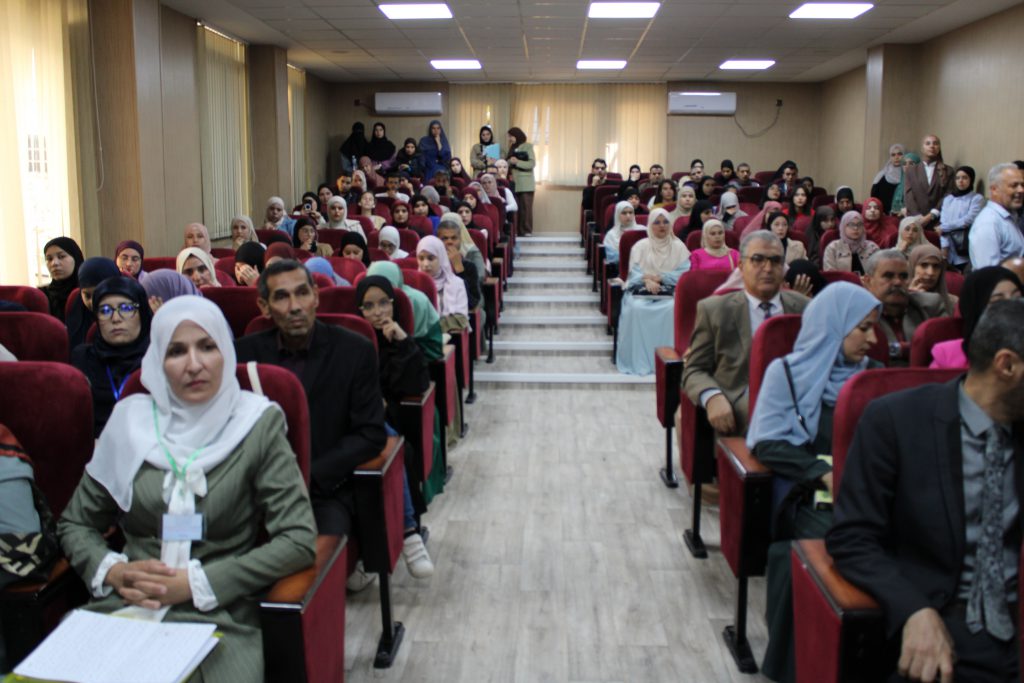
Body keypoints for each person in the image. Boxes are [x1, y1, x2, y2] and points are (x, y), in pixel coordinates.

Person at [59, 296, 317, 681]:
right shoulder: (130, 422)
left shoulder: (255, 424)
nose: (194, 364)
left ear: (225, 352)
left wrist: (198, 584)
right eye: (176, 351)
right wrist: (113, 572)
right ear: (157, 362)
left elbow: (297, 540)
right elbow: (75, 524)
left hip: (220, 616)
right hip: (126, 607)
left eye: (207, 346)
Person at [827, 298, 1024, 683]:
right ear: (1007, 366)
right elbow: (852, 537)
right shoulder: (897, 421)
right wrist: (913, 609)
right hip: (943, 620)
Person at [747, 282, 882, 682]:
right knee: (831, 550)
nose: (873, 340)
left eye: (874, 328)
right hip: (811, 496)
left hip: (869, 496)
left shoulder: (874, 377)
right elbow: (767, 443)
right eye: (863, 328)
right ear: (834, 326)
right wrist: (823, 473)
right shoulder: (787, 373)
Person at [236, 261, 385, 541]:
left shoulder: (354, 351)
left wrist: (308, 476)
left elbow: (370, 434)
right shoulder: (243, 355)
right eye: (282, 297)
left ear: (316, 296)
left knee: (315, 549)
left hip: (323, 490)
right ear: (264, 306)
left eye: (302, 293)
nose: (295, 306)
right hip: (253, 490)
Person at [682, 231, 810, 434]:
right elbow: (694, 369)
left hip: (799, 398)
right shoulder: (716, 310)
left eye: (775, 261)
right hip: (741, 401)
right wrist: (712, 396)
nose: (767, 268)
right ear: (741, 266)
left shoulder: (805, 308)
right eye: (758, 259)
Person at [354, 276, 435, 578]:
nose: (378, 312)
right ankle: (395, 538)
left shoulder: (400, 341)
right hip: (356, 422)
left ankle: (407, 531)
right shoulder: (352, 344)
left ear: (393, 304)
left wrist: (402, 343)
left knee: (394, 445)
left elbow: (417, 384)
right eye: (369, 306)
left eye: (384, 303)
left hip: (394, 421)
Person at [70, 276, 153, 436]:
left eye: (126, 308)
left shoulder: (160, 359)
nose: (115, 319)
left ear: (142, 313)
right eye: (105, 311)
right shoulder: (82, 359)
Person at [615, 209, 690, 376]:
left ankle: (668, 360)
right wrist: (646, 280)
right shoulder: (641, 246)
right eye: (657, 222)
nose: (662, 226)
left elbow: (684, 274)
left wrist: (662, 278)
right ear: (650, 225)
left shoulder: (679, 247)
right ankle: (641, 360)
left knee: (672, 308)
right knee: (637, 308)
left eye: (665, 222)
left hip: (670, 292)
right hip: (641, 291)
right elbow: (633, 274)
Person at [862, 249, 947, 365]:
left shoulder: (930, 305)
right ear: (867, 281)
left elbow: (946, 349)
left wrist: (895, 349)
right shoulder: (858, 313)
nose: (898, 282)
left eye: (903, 276)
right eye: (888, 276)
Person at [931, 267, 1022, 370]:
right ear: (976, 306)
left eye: (1017, 298)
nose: (1011, 306)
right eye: (998, 301)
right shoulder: (947, 355)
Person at [968, 163, 1024, 268]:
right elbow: (989, 273)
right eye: (1014, 185)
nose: (1021, 190)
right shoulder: (988, 223)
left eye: (1022, 185)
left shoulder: (1009, 218)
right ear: (994, 189)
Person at [416, 236, 469, 333]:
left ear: (441, 257)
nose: (425, 264)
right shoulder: (414, 285)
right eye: (421, 258)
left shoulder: (456, 283)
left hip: (449, 336)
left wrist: (433, 327)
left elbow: (461, 319)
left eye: (431, 258)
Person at [66, 257, 121, 350]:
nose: (92, 302)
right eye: (87, 296)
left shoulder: (130, 314)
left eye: (100, 294)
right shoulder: (76, 311)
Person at [903, 134, 955, 229]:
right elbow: (908, 195)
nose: (932, 146)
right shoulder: (911, 170)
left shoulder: (948, 171)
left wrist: (931, 215)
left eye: (935, 143)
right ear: (922, 148)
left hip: (938, 222)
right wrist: (918, 217)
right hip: (915, 222)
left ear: (939, 148)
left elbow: (948, 195)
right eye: (928, 143)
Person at [939, 165, 983, 271]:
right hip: (948, 248)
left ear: (971, 180)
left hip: (965, 246)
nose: (960, 181)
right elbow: (943, 222)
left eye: (964, 178)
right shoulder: (949, 199)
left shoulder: (976, 198)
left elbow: (968, 220)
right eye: (958, 178)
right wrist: (944, 246)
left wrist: (944, 227)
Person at [437, 216, 482, 311]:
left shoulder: (469, 267)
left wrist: (459, 269)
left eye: (454, 238)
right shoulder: (432, 264)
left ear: (460, 240)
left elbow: (472, 303)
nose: (449, 242)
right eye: (444, 238)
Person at [40, 236, 85, 322]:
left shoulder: (87, 293)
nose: (54, 263)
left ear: (75, 258)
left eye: (61, 256)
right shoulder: (42, 295)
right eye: (49, 259)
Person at [908, 244, 958, 315]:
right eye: (924, 265)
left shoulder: (953, 303)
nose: (930, 273)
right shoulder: (899, 301)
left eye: (936, 266)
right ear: (913, 267)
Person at [506, 127, 536, 236]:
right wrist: (509, 162)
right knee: (516, 208)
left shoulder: (527, 146)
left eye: (511, 136)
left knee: (525, 208)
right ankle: (517, 232)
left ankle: (526, 231)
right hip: (513, 183)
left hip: (526, 183)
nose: (509, 139)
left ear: (517, 135)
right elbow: (508, 163)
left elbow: (531, 164)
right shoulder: (512, 147)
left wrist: (517, 162)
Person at [603, 201, 642, 266]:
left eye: (630, 212)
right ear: (617, 215)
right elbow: (612, 258)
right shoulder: (611, 235)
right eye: (624, 213)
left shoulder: (642, 230)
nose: (628, 216)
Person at [870, 144, 906, 213]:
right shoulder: (882, 176)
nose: (896, 157)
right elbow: (874, 196)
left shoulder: (907, 175)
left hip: (902, 214)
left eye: (899, 154)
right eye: (893, 155)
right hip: (884, 214)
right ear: (890, 157)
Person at [891, 151, 919, 216]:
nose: (907, 166)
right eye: (904, 164)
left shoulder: (922, 184)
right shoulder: (899, 186)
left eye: (911, 163)